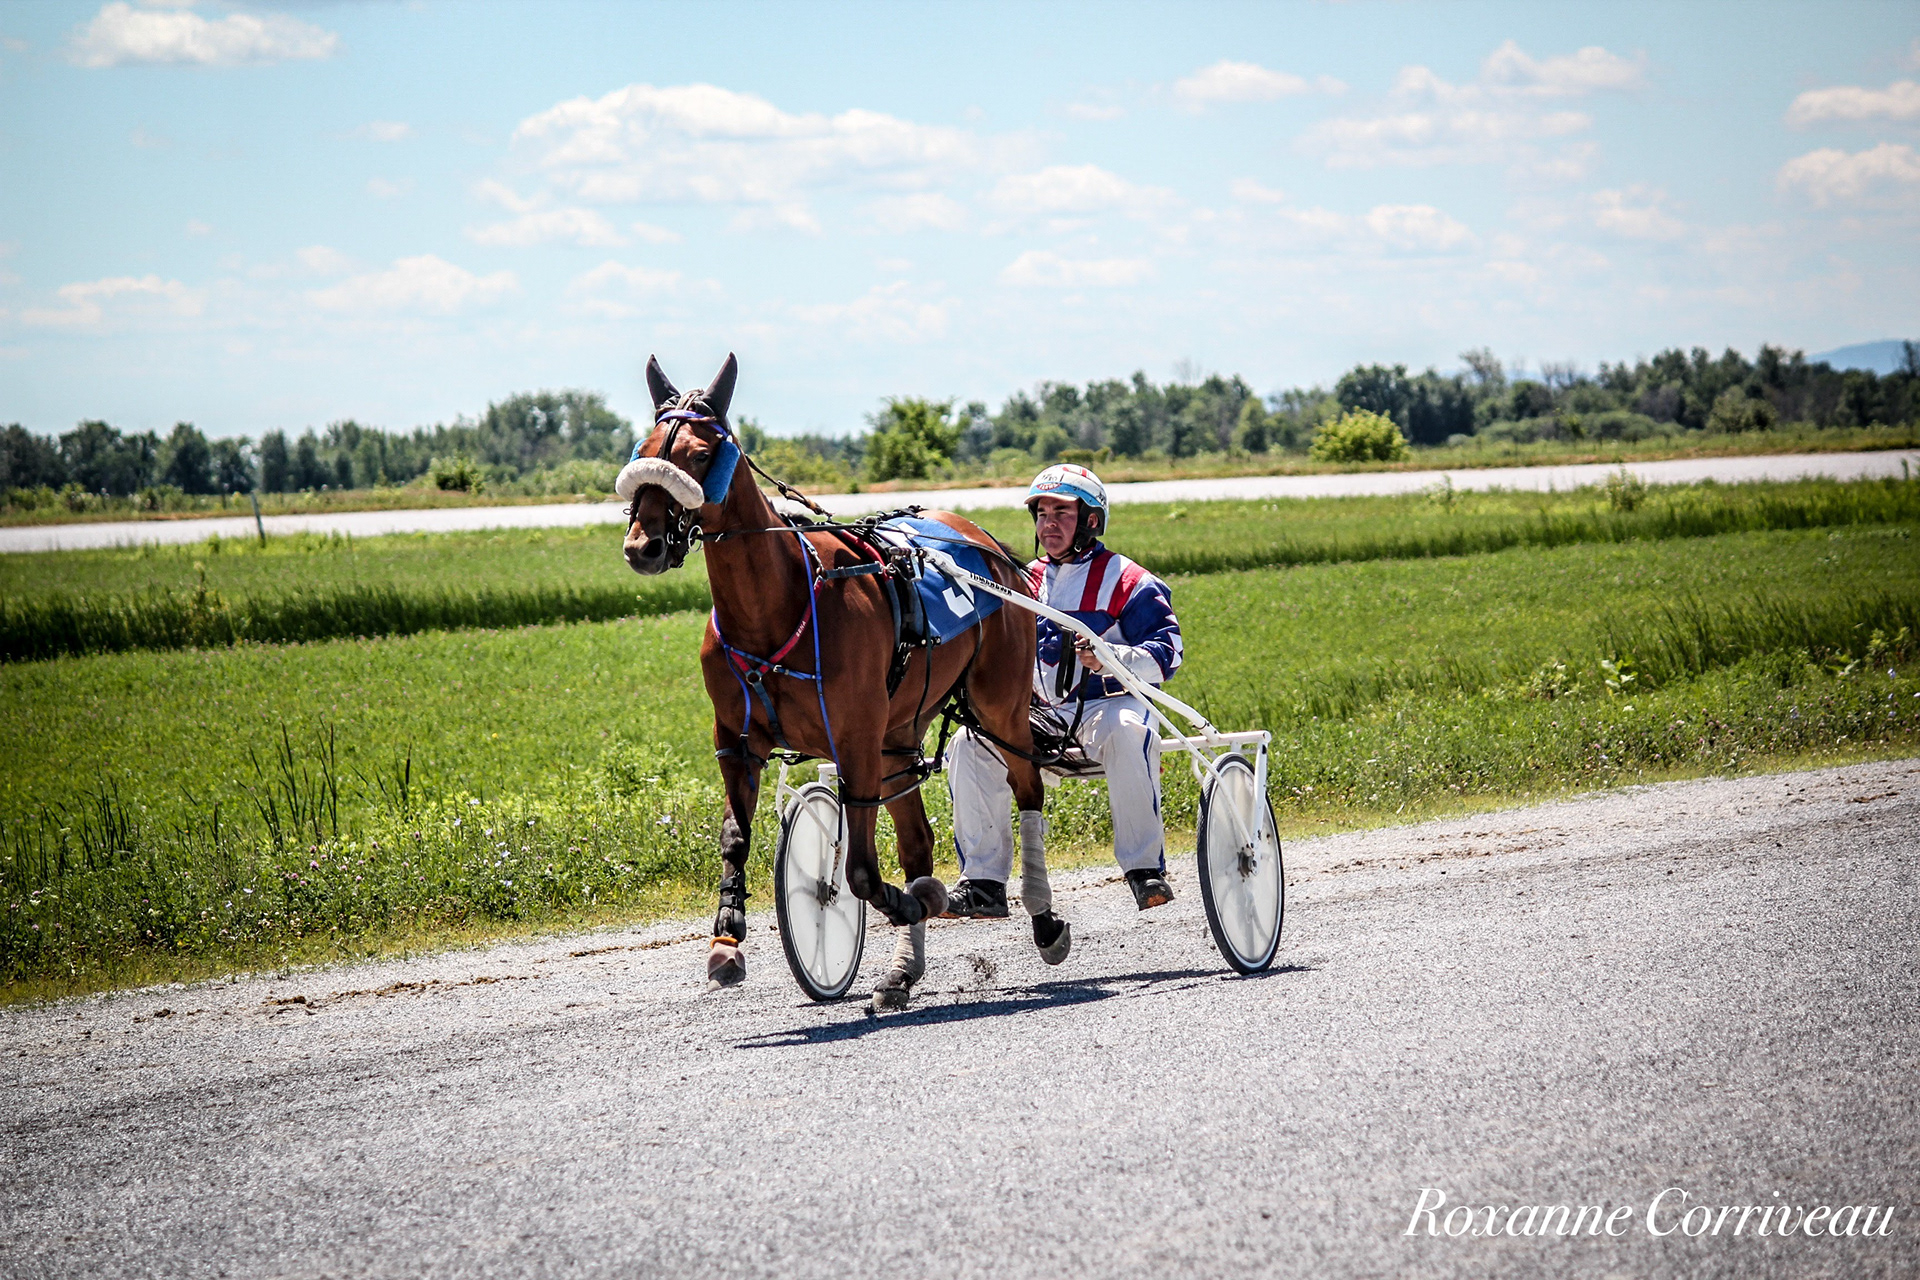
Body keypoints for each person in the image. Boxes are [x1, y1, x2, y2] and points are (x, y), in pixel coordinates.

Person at [943, 463, 1184, 927]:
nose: (1048, 524)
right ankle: (984, 884)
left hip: (1108, 706)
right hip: (1039, 717)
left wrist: (1108, 656)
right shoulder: (1019, 582)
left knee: (1128, 731)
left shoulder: (1128, 580)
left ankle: (1144, 870)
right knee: (969, 745)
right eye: (1041, 514)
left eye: (1062, 513)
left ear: (1091, 521)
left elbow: (1168, 652)